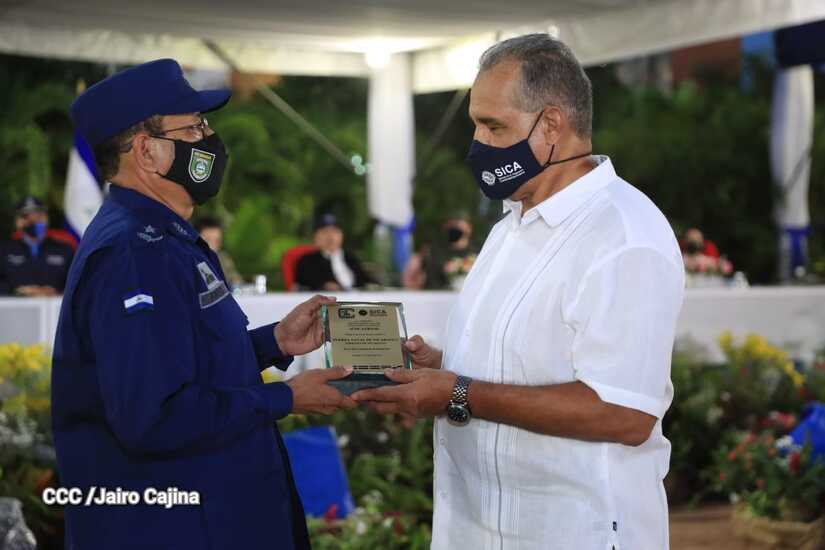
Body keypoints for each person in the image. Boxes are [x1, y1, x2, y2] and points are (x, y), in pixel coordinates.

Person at [354, 34, 685, 550]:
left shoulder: (623, 236)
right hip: (480, 531)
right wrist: (440, 367)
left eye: (494, 126)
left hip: (574, 534)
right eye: (475, 125)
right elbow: (521, 364)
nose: (478, 143)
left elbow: (624, 413)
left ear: (551, 125)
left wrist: (457, 392)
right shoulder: (510, 227)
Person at [52, 59, 356, 550]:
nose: (210, 139)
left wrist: (274, 342)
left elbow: (181, 362)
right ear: (147, 152)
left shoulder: (163, 236)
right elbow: (154, 416)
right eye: (194, 128)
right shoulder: (133, 253)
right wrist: (286, 398)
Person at [0, 196, 74, 296]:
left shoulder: (65, 250)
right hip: (14, 305)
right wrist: (18, 291)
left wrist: (58, 292)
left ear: (46, 218)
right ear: (17, 222)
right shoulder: (4, 251)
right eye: (26, 217)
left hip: (55, 304)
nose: (33, 221)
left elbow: (76, 283)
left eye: (38, 216)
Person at [294, 213, 372, 291]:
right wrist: (323, 286)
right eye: (325, 232)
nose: (330, 236)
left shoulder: (350, 258)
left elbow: (365, 281)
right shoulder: (308, 261)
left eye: (335, 232)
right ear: (316, 237)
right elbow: (303, 285)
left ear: (341, 235)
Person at [194, 216, 243, 286]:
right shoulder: (189, 261)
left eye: (217, 241)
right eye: (207, 240)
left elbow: (237, 281)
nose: (212, 247)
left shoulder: (223, 258)